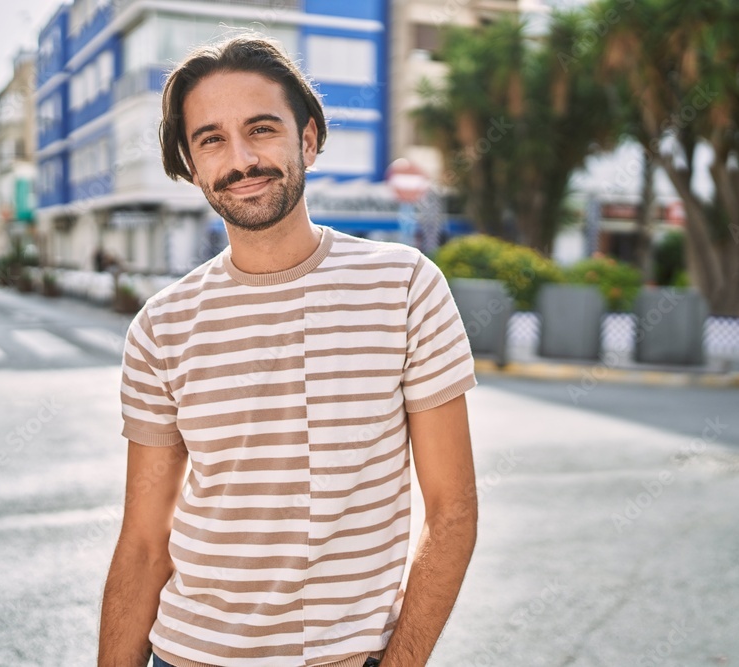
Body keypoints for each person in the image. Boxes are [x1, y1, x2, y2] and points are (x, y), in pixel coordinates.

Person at [98, 36, 478, 667]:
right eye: (211, 139)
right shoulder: (161, 327)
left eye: (262, 128)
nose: (241, 159)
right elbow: (143, 542)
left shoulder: (405, 287)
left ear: (306, 140)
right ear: (191, 165)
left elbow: (452, 509)